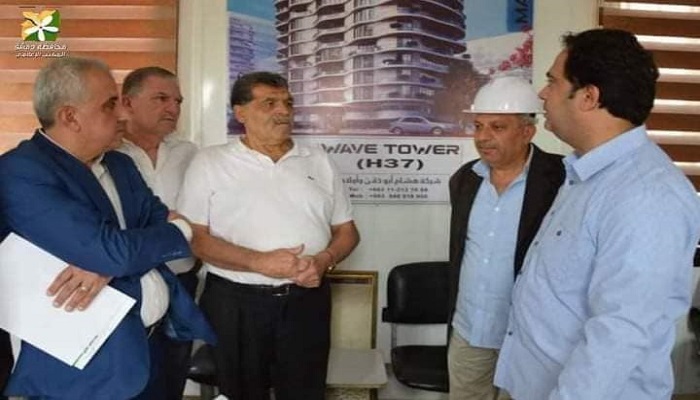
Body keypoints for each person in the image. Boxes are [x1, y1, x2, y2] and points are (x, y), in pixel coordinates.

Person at [494, 28, 700, 400]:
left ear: (589, 97)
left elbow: (620, 331)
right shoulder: (585, 174)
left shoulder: (646, 195)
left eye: (552, 82)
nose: (542, 94)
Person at [0, 57, 216, 400]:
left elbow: (160, 224)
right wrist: (162, 239)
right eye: (110, 104)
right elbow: (116, 252)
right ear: (70, 117)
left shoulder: (119, 164)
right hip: (88, 370)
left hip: (153, 345)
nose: (123, 114)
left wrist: (114, 260)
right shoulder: (22, 171)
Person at [177, 71, 360, 400]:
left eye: (288, 103)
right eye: (269, 103)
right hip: (235, 303)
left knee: (305, 392)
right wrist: (258, 262)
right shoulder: (211, 162)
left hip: (306, 301)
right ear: (240, 112)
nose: (283, 111)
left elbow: (347, 231)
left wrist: (324, 261)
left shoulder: (318, 160)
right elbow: (195, 238)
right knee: (241, 392)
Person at [448, 76, 564, 400]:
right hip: (469, 332)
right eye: (478, 126)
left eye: (497, 127)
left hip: (529, 337)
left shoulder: (562, 179)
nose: (483, 137)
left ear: (527, 132)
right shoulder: (464, 180)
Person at [118, 66, 198, 400]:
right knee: (128, 376)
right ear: (127, 103)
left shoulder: (190, 153)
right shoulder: (107, 153)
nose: (172, 108)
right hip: (125, 283)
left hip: (181, 280)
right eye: (161, 98)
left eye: (177, 101)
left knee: (172, 373)